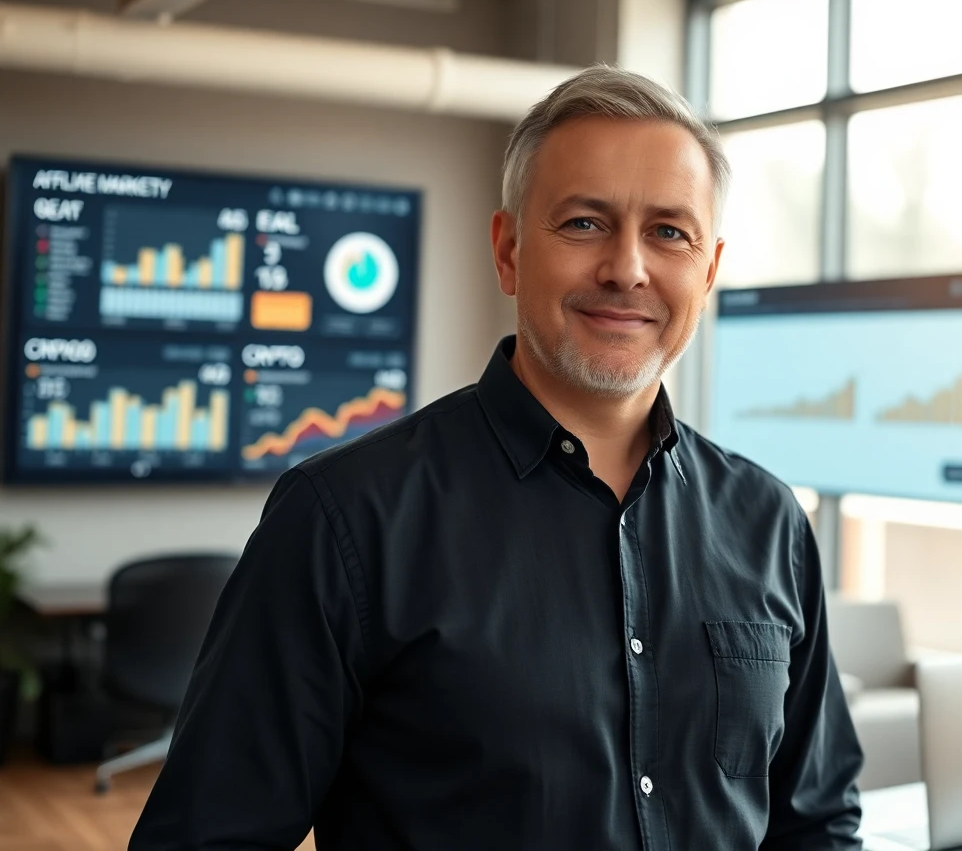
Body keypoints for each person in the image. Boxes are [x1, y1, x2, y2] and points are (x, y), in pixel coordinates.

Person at [130, 64, 863, 851]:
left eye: (668, 232)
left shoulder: (768, 522)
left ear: (708, 270)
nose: (627, 267)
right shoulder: (345, 518)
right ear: (509, 250)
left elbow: (815, 821)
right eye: (584, 223)